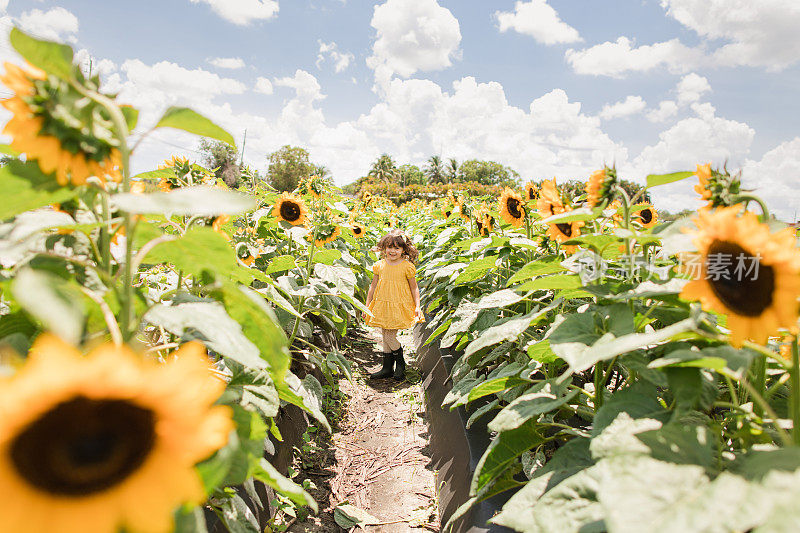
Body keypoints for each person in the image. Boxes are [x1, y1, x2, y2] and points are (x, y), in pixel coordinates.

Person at [364, 228, 422, 380]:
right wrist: (367, 304)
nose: (392, 251)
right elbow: (373, 286)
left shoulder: (407, 266)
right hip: (382, 303)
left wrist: (417, 306)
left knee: (390, 336)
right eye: (390, 247)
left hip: (398, 304)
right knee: (384, 334)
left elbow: (414, 287)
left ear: (404, 250)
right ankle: (387, 368)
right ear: (384, 248)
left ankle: (401, 364)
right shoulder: (380, 265)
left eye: (397, 248)